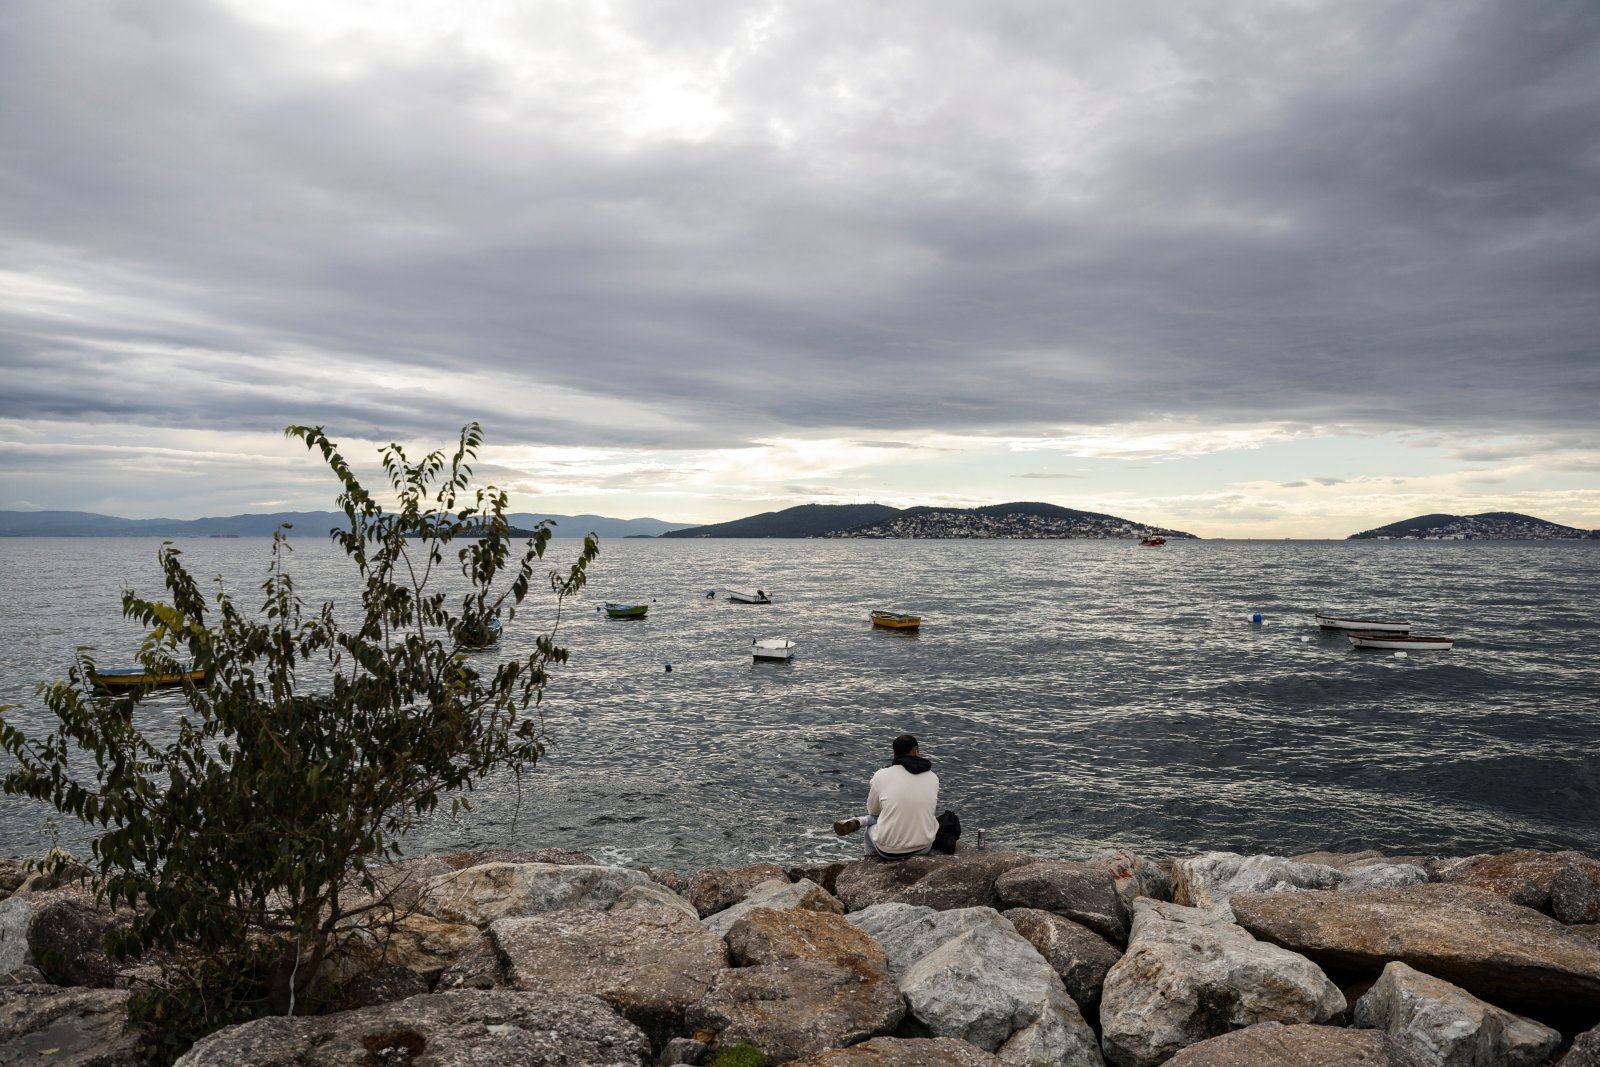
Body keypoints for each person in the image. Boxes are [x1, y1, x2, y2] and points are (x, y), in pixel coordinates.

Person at [833, 733, 939, 860]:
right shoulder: (933, 777)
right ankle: (860, 821)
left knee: (869, 831)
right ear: (917, 752)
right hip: (924, 846)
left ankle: (869, 860)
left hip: (888, 851)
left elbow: (874, 811)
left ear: (894, 754)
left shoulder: (881, 775)